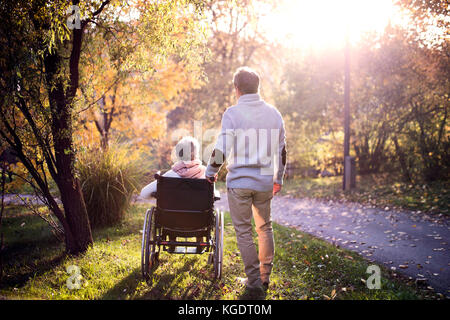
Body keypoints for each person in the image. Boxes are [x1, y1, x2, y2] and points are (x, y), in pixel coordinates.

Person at [205, 67, 287, 299]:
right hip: (263, 183)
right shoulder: (274, 114)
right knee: (265, 227)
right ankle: (264, 277)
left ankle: (253, 282)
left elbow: (222, 148)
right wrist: (278, 178)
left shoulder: (232, 113)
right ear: (258, 87)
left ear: (237, 89)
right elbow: (282, 150)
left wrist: (210, 171)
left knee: (244, 232)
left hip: (240, 182)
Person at [140, 136, 206, 253]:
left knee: (170, 209)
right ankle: (200, 242)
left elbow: (143, 194)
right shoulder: (206, 175)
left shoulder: (168, 177)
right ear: (196, 153)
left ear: (179, 154)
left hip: (171, 223)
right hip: (199, 222)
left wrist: (158, 194)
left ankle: (171, 242)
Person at [139, 136, 206, 199]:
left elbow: (143, 194)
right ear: (197, 153)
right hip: (200, 210)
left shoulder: (170, 175)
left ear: (178, 155)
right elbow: (213, 196)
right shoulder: (205, 174)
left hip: (170, 210)